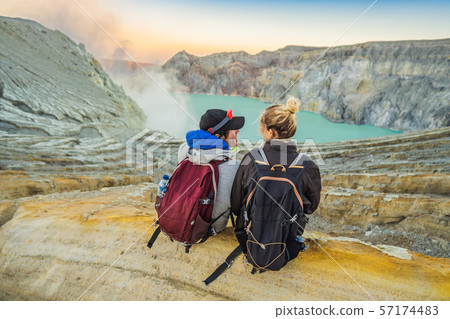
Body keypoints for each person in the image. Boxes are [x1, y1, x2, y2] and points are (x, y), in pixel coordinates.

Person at [230, 97, 321, 266]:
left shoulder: (251, 158)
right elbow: (310, 207)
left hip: (250, 237)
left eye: (262, 127)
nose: (260, 130)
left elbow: (236, 204)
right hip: (286, 241)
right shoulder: (307, 164)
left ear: (271, 132)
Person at [178, 109, 245, 233]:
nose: (238, 130)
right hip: (210, 228)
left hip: (180, 218)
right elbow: (237, 208)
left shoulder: (184, 149)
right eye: (232, 129)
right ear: (218, 136)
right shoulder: (235, 166)